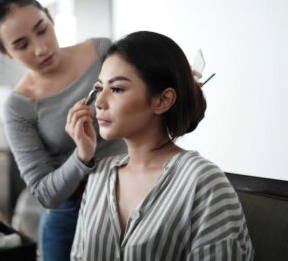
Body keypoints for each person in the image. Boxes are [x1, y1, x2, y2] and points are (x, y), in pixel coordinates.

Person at [67, 31, 254, 260]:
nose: (101, 102)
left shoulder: (202, 182)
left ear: (163, 100)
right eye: (98, 88)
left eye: (116, 89)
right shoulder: (99, 174)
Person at [0, 0, 126, 261]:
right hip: (70, 214)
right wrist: (82, 155)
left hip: (132, 195)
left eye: (41, 29)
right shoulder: (18, 107)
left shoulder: (102, 51)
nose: (41, 48)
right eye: (21, 45)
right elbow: (45, 194)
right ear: (6, 53)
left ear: (49, 17)